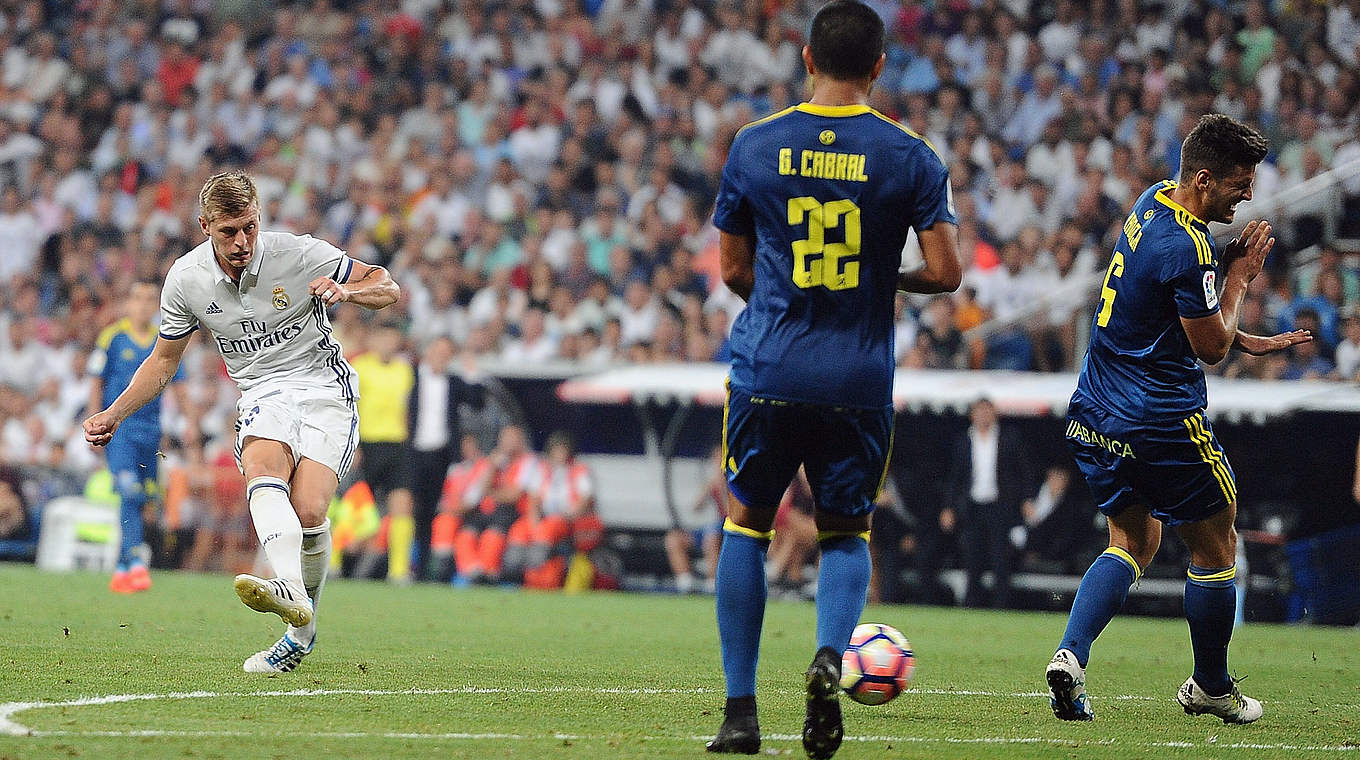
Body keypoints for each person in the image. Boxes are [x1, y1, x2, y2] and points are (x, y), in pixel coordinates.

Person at [705, 2, 961, 756]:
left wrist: (790, 304)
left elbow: (730, 269)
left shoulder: (754, 145)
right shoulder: (910, 155)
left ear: (805, 58)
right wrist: (881, 280)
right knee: (845, 532)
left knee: (745, 526)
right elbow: (946, 274)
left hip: (770, 367)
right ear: (880, 67)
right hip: (857, 376)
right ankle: (828, 655)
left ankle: (740, 714)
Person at [1047, 114, 1310, 725]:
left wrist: (1238, 318)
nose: (1249, 194)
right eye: (1240, 182)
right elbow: (1209, 346)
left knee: (1134, 540)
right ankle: (1212, 686)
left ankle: (1072, 655)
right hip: (1159, 418)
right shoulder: (1191, 250)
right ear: (1203, 176)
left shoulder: (1151, 202)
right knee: (1216, 543)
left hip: (1096, 407)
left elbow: (1165, 298)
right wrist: (1238, 279)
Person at [83, 170, 399, 673]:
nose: (241, 241)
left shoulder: (296, 253)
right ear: (205, 225)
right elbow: (164, 361)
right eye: (229, 231)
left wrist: (349, 294)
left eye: (249, 227)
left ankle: (300, 627)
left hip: (323, 386)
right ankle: (292, 593)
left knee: (311, 509)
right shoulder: (186, 280)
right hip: (262, 392)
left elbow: (386, 285)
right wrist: (115, 412)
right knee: (262, 466)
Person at [87, 279, 186, 593]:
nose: (143, 305)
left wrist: (190, 422)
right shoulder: (113, 337)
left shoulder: (163, 340)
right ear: (128, 304)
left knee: (144, 498)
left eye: (149, 299)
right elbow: (96, 382)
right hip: (120, 430)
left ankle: (120, 569)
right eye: (137, 298)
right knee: (129, 491)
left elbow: (178, 383)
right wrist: (94, 423)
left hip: (152, 431)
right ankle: (137, 562)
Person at [944, 397, 1032, 608]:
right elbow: (955, 477)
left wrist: (1027, 499)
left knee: (1000, 557)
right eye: (979, 411)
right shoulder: (963, 440)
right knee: (972, 556)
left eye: (987, 410)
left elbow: (1024, 471)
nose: (983, 415)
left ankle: (1001, 604)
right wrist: (948, 507)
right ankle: (972, 603)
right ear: (972, 414)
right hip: (973, 506)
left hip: (999, 506)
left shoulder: (1009, 438)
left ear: (994, 413)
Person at [349, 323, 416, 582]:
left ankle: (398, 571)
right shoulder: (360, 367)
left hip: (397, 445)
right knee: (350, 507)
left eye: (393, 338)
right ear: (373, 340)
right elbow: (348, 406)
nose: (388, 343)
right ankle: (334, 562)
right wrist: (352, 444)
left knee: (402, 506)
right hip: (366, 444)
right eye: (383, 338)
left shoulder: (405, 370)